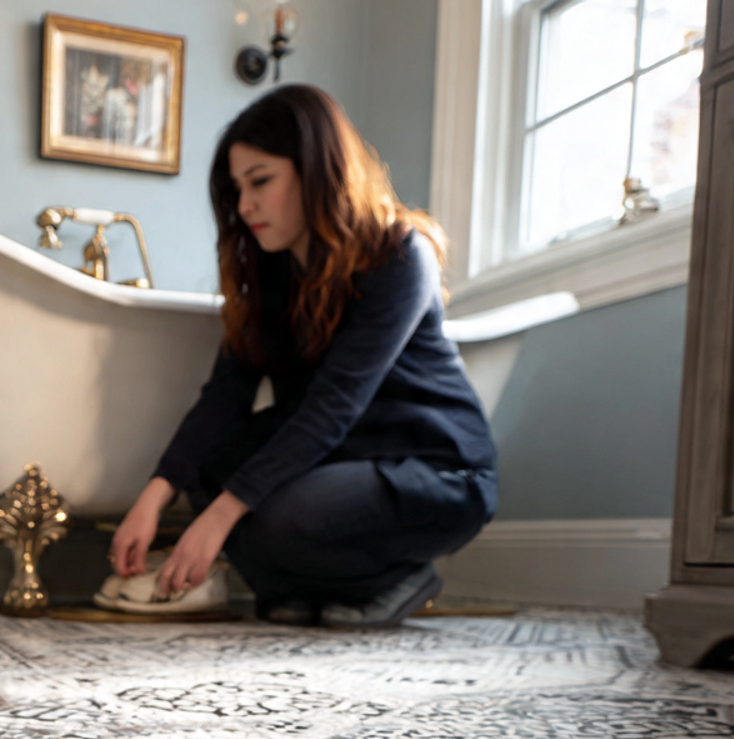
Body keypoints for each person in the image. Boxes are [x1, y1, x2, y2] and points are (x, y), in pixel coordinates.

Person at [108, 85, 498, 627]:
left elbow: (332, 408)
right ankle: (307, 589)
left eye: (261, 181)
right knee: (208, 467)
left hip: (433, 471)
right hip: (338, 462)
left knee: (278, 511)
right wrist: (155, 495)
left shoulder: (400, 255)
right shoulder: (269, 276)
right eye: (238, 189)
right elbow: (225, 397)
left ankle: (395, 579)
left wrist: (221, 517)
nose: (245, 206)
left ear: (316, 170)